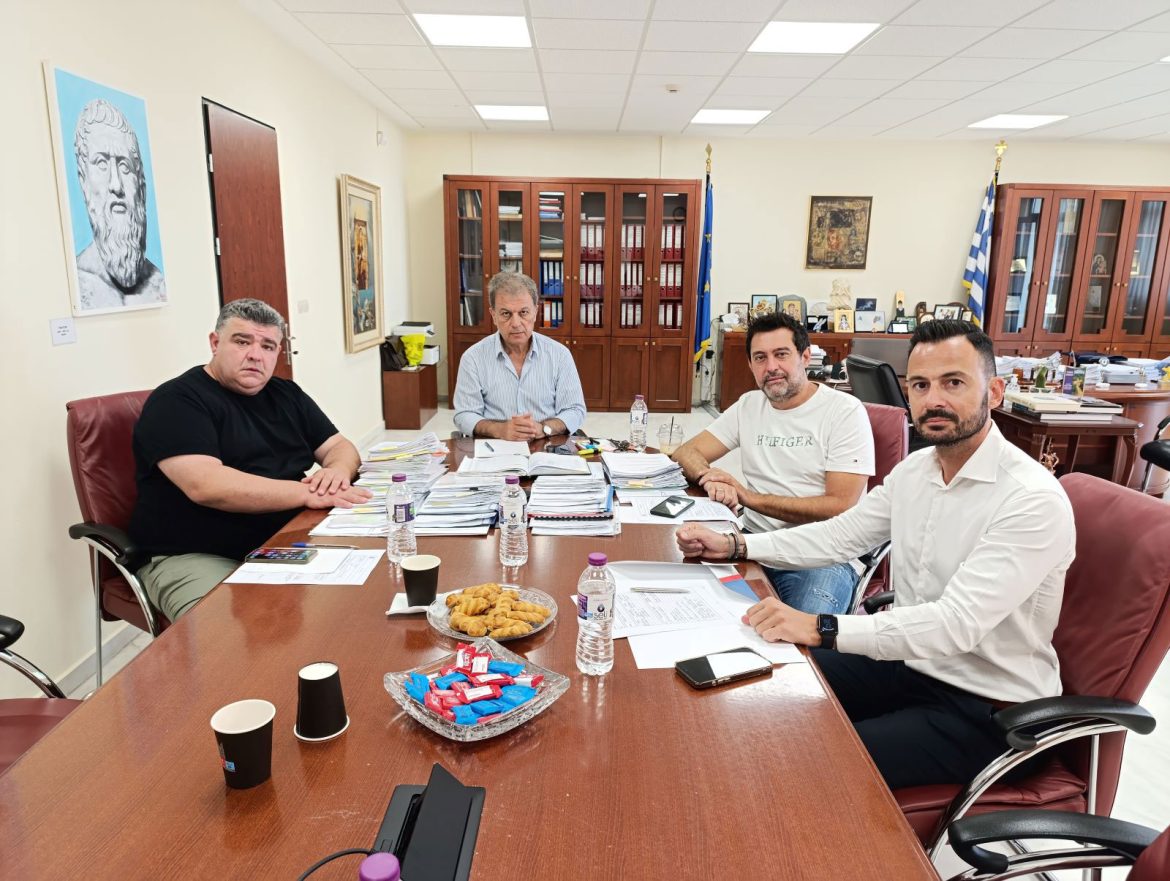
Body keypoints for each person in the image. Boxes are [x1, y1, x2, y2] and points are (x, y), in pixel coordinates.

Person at [676, 320, 1075, 790]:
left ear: (994, 392)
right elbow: (839, 537)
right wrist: (738, 545)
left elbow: (954, 625)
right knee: (763, 681)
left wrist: (821, 627)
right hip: (909, 665)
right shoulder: (916, 471)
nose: (934, 400)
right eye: (920, 385)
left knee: (796, 760)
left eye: (954, 383)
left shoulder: (1030, 499)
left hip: (988, 708)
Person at [129, 298, 371, 620]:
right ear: (215, 343)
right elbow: (207, 485)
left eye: (268, 346)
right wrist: (308, 493)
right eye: (242, 342)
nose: (256, 354)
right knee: (223, 639)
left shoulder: (286, 394)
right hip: (196, 552)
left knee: (356, 604)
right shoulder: (177, 401)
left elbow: (339, 446)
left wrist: (337, 470)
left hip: (282, 537)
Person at [671, 311, 874, 614]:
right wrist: (709, 476)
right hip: (753, 541)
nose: (771, 367)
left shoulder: (844, 412)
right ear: (750, 365)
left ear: (806, 357)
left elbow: (839, 505)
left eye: (781, 354)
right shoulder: (749, 405)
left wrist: (747, 497)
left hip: (822, 555)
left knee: (802, 635)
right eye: (760, 358)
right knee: (685, 606)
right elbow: (686, 453)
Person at [453, 271, 587, 440]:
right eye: (506, 313)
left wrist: (544, 428)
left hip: (546, 444)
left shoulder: (559, 355)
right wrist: (499, 430)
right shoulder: (473, 358)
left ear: (535, 312)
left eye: (523, 312)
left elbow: (575, 410)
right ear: (493, 315)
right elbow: (464, 414)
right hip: (494, 445)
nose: (516, 324)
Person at [73, 99, 166, 311]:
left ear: (141, 186)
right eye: (102, 163)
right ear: (84, 180)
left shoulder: (158, 282)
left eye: (125, 167)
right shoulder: (80, 282)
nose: (116, 185)